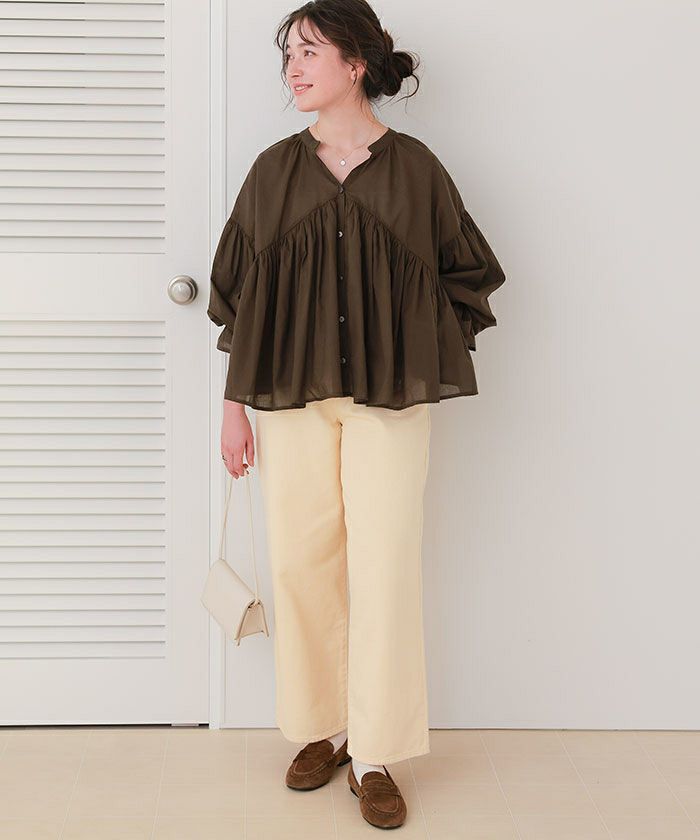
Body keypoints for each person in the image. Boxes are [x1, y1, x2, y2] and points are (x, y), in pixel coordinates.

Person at [207, 0, 506, 829]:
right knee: (301, 563)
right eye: (289, 55)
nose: (294, 68)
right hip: (290, 398)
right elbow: (239, 299)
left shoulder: (417, 171)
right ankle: (323, 730)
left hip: (389, 402)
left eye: (310, 51)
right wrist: (233, 410)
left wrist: (417, 348)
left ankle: (376, 753)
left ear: (357, 63)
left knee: (385, 565)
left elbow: (468, 277)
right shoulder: (274, 171)